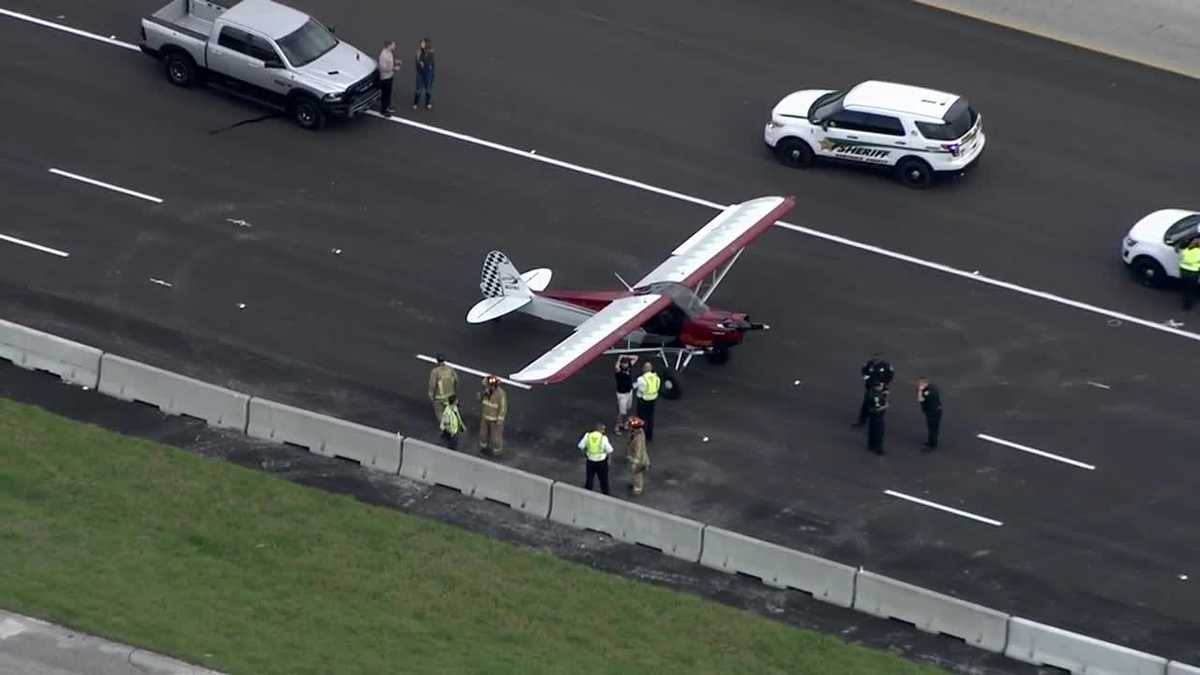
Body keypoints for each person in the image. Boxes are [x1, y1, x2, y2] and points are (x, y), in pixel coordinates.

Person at [854, 353, 894, 427]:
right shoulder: (869, 364)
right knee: (866, 404)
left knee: (881, 404)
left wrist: (884, 383)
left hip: (881, 389)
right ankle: (862, 421)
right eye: (875, 358)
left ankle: (878, 421)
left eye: (877, 358)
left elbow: (890, 374)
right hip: (871, 387)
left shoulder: (885, 366)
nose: (876, 359)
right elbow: (864, 370)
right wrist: (867, 379)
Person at [578, 422, 614, 495]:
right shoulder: (603, 438)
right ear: (600, 430)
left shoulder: (587, 436)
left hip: (590, 460)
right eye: (603, 430)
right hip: (601, 462)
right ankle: (605, 494)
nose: (604, 431)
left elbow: (580, 446)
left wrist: (586, 453)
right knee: (603, 480)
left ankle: (587, 493)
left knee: (590, 479)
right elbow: (610, 450)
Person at [478, 375, 507, 456]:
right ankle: (483, 447)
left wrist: (500, 420)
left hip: (494, 420)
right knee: (483, 434)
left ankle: (497, 451)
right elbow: (482, 401)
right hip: (485, 417)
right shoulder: (485, 392)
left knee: (496, 438)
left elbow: (503, 408)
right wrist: (481, 396)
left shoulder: (501, 394)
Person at [634, 362, 661, 442]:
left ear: (644, 369)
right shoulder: (656, 378)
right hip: (653, 400)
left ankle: (639, 436)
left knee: (640, 418)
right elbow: (657, 387)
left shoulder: (641, 379)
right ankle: (649, 436)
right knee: (650, 418)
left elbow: (640, 389)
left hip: (643, 400)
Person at [427, 354, 457, 424]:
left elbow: (432, 385)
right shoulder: (450, 369)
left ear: (437, 362)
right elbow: (456, 380)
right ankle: (451, 423)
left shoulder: (435, 371)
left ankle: (445, 426)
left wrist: (431, 395)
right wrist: (454, 392)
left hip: (440, 397)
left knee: (439, 412)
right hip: (451, 395)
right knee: (450, 410)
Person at [625, 417, 650, 495]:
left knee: (637, 474)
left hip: (638, 459)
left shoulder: (638, 438)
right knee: (634, 472)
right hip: (633, 456)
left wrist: (636, 460)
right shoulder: (636, 432)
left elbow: (638, 450)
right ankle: (634, 484)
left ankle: (638, 488)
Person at [916, 376, 942, 450]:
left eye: (920, 383)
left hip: (933, 412)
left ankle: (932, 444)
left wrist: (920, 391)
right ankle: (931, 442)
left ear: (924, 383)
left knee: (932, 428)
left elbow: (920, 399)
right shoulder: (930, 388)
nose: (919, 385)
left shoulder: (928, 391)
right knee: (931, 427)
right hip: (933, 411)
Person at [614, 355, 637, 434]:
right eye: (623, 363)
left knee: (628, 408)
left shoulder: (629, 367)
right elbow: (616, 366)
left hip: (629, 392)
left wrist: (626, 356)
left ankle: (625, 423)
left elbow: (636, 357)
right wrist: (619, 358)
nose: (625, 365)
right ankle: (617, 427)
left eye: (626, 363)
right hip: (622, 394)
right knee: (622, 412)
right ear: (621, 364)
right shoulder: (618, 371)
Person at [377, 40, 400, 114]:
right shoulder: (383, 55)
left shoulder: (389, 52)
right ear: (389, 45)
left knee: (388, 93)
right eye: (393, 45)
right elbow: (382, 68)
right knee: (385, 95)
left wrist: (396, 62)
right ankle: (383, 110)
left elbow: (390, 61)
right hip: (385, 78)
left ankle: (388, 106)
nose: (394, 46)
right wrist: (393, 68)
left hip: (390, 76)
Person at [866, 381, 888, 455]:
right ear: (877, 387)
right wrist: (885, 406)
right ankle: (878, 448)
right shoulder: (876, 396)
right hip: (877, 416)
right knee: (879, 432)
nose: (882, 386)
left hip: (872, 415)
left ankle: (871, 445)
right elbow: (877, 408)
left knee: (872, 430)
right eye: (881, 386)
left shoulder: (871, 392)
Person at [413, 37, 435, 110]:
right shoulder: (418, 52)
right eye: (421, 43)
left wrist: (423, 63)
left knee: (428, 89)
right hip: (420, 73)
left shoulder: (431, 52)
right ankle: (415, 103)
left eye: (423, 43)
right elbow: (417, 63)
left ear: (427, 44)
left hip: (428, 74)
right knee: (418, 89)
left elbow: (430, 63)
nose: (421, 44)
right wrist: (420, 63)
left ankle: (428, 103)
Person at [1180, 239, 1200, 311]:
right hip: (1193, 273)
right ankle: (1187, 305)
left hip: (1184, 272)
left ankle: (1185, 303)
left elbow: (1181, 259)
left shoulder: (1186, 251)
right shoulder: (1199, 253)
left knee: (1187, 288)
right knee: (1191, 290)